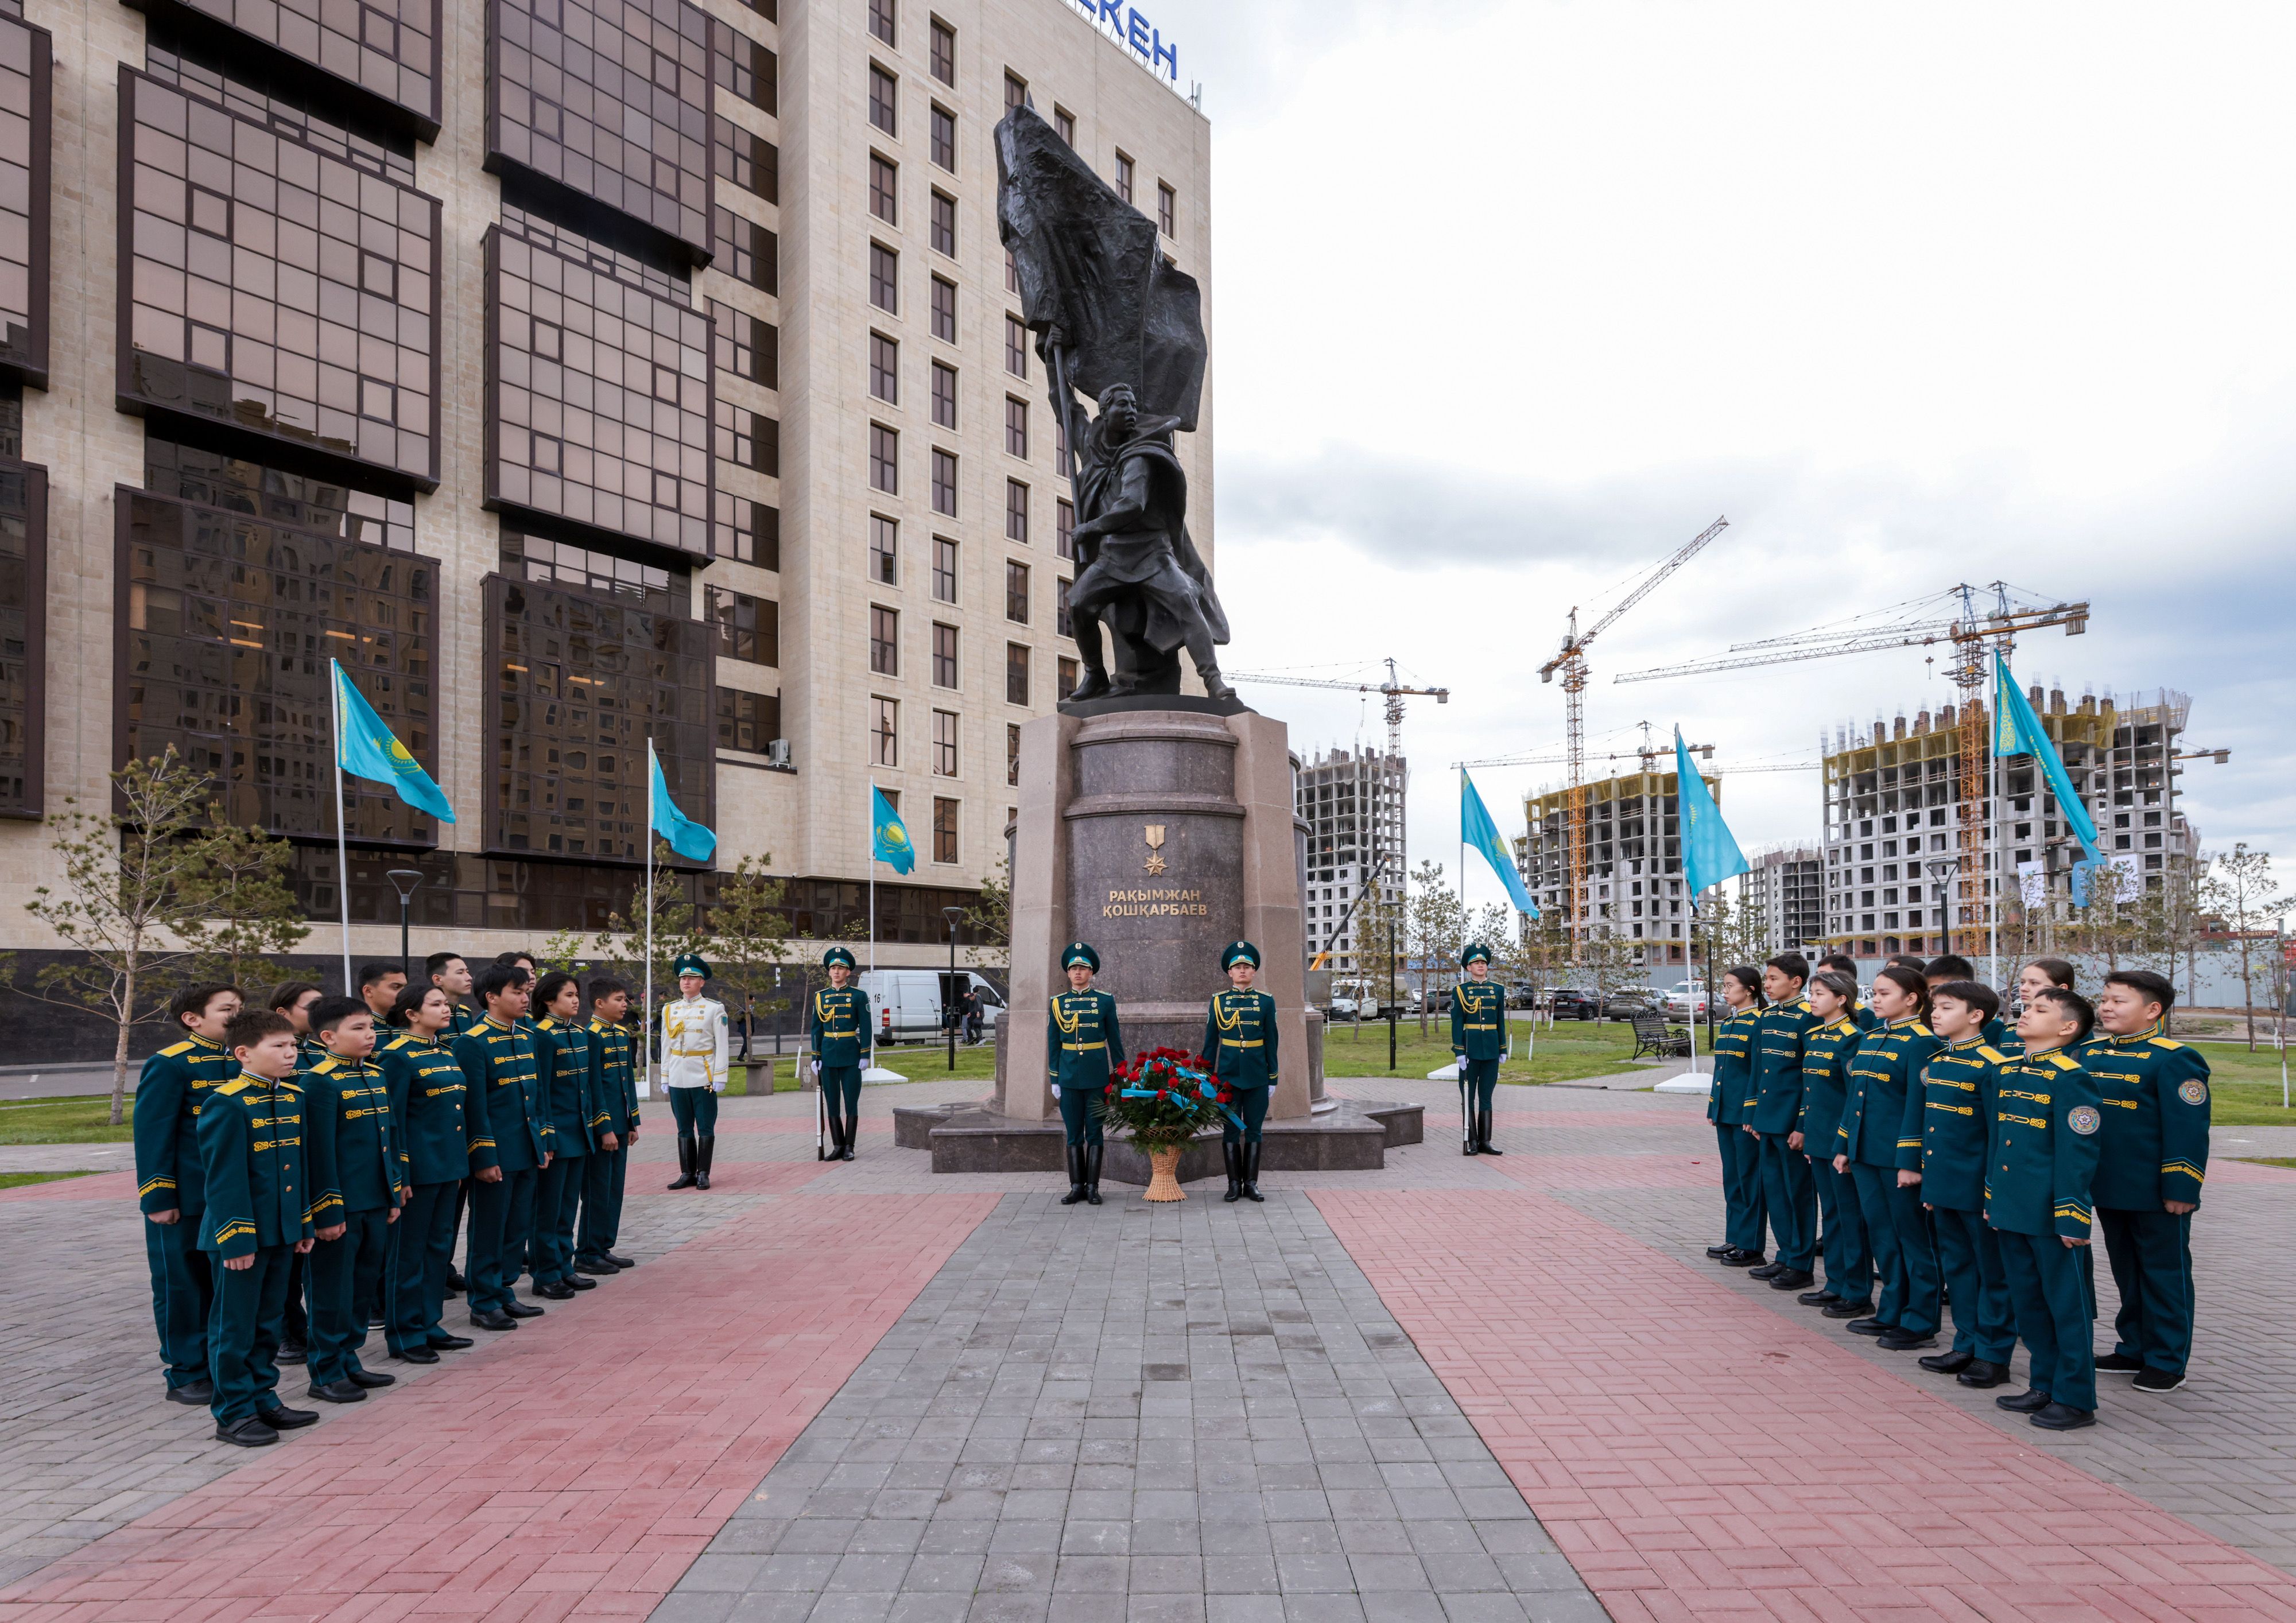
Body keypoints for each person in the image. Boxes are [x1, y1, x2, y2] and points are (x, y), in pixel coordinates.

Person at [2078, 968, 2209, 1393]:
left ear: (2153, 1010)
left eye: (2119, 1001)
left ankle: (2168, 1359)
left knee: (2164, 1274)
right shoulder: (2090, 1055)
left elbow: (2187, 1130)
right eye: (2105, 999)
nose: (2107, 1007)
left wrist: (2182, 1187)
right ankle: (2133, 1345)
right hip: (2108, 1186)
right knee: (2127, 1271)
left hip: (2155, 1192)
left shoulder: (2175, 1059)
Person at [196, 1007, 317, 1446]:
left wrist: (303, 1222)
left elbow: (298, 1169)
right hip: (241, 1237)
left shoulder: (292, 1097)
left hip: (282, 1231)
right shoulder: (225, 1102)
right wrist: (237, 1238)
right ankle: (233, 1413)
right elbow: (223, 1178)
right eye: (279, 1047)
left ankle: (263, 1398)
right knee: (234, 1327)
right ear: (244, 1053)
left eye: (293, 1046)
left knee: (268, 1322)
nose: (291, 1054)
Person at [1987, 985, 2103, 1430]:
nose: (2025, 1013)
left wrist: (2072, 1214)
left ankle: (2076, 1398)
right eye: (2025, 1007)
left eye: (2040, 1010)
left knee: (2066, 1307)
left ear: (2068, 1028)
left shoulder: (2071, 1077)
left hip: (2051, 1212)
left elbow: (2079, 1153)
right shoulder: (2009, 1071)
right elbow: (2000, 1142)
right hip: (2013, 1207)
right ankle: (2044, 1383)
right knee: (2029, 1303)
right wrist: (1993, 1197)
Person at [134, 983, 243, 1407]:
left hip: (231, 1198)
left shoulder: (243, 1061)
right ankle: (186, 1372)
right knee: (182, 1286)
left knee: (224, 1288)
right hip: (187, 1199)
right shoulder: (170, 1065)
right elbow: (152, 1135)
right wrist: (159, 1198)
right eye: (227, 1010)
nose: (237, 1016)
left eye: (240, 1008)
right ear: (192, 1020)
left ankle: (221, 1366)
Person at [1833, 964, 1944, 1350]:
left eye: (1884, 994)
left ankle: (1920, 1321)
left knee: (1913, 1239)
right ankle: (1892, 1310)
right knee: (1883, 1235)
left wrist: (1911, 1162)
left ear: (1912, 998)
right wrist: (1846, 1147)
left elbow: (1919, 1106)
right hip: (1866, 1153)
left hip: (1898, 1159)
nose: (1875, 1000)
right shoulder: (1870, 1038)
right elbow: (1856, 1098)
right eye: (1874, 993)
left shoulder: (1922, 1042)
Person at [298, 996, 402, 1404]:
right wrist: (326, 1210)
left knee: (361, 1286)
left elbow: (386, 1140)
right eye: (357, 1029)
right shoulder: (318, 1081)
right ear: (328, 1037)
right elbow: (319, 1153)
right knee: (330, 1289)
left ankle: (349, 1358)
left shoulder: (374, 1074)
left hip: (374, 1200)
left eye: (370, 1027)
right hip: (339, 1206)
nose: (369, 1035)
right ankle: (325, 1370)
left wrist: (392, 1192)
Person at [1917, 980, 2016, 1389]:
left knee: (1992, 1272)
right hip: (1945, 1184)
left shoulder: (1995, 1066)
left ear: (1976, 1016)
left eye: (1945, 1007)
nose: (1935, 1014)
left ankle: (1993, 1354)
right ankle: (1966, 1341)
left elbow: (1998, 1136)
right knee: (1958, 1267)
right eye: (1934, 1007)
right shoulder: (1940, 1061)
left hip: (1978, 1186)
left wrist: (1994, 1191)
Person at [377, 984, 475, 1365]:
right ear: (411, 1013)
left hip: (448, 1168)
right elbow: (394, 1122)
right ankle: (404, 1332)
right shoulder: (396, 1058)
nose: (446, 1009)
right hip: (417, 1171)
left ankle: (430, 1322)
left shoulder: (445, 1051)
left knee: (438, 1248)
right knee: (408, 1253)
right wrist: (399, 1176)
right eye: (435, 1004)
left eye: (445, 1003)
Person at [456, 964, 552, 1332]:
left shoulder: (526, 1037)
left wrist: (543, 1142)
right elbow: (475, 1106)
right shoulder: (472, 1041)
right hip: (496, 1154)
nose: (525, 998)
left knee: (516, 1227)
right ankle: (483, 1301)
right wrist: (483, 1155)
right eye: (516, 992)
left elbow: (536, 1095)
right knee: (489, 1228)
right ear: (491, 997)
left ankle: (504, 1290)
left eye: (525, 991)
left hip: (526, 1149)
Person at [1794, 970, 1872, 1319]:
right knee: (1832, 1214)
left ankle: (1857, 1290)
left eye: (1820, 993)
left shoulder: (1851, 1039)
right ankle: (1836, 1283)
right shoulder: (1815, 1035)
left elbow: (1854, 1099)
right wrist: (1806, 1131)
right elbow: (1810, 1092)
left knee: (1849, 1216)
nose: (1812, 998)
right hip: (1819, 1138)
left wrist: (1844, 1142)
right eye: (1812, 993)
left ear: (1842, 999)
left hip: (1839, 1141)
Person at [1748, 954, 1821, 1291]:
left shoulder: (1809, 1018)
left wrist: (1802, 1124)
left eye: (1774, 978)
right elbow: (1758, 1068)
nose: (1767, 984)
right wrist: (1752, 1114)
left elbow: (1810, 1076)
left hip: (1791, 1117)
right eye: (1766, 978)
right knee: (1776, 1191)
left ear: (1796, 982)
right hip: (1767, 1116)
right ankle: (1786, 1254)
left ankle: (1802, 1263)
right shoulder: (1765, 1017)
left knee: (1798, 1193)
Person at [529, 972, 600, 1297]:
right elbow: (540, 1092)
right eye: (569, 995)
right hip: (556, 1135)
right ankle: (545, 1273)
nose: (576, 1000)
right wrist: (547, 1136)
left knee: (568, 1206)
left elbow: (586, 1089)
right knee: (549, 1209)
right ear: (548, 1000)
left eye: (576, 995)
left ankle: (565, 1266)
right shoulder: (542, 1035)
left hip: (579, 1133)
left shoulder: (579, 1033)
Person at [1048, 942, 1122, 1206]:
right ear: (1068, 974)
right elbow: (1054, 1043)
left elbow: (1115, 1040)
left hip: (1096, 1077)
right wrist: (1054, 1079)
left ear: (1091, 973)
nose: (1078, 972)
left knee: (1095, 1132)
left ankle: (1093, 1187)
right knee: (1073, 1134)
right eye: (1074, 969)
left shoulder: (1104, 1001)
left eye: (1083, 968)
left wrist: (1120, 1074)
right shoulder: (1057, 1003)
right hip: (1068, 1077)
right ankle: (1076, 1187)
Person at [1205, 940, 1279, 1202]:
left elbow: (1272, 1041)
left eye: (1247, 966)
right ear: (1230, 973)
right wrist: (1208, 1077)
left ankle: (1252, 1183)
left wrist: (1273, 1077)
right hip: (1228, 1078)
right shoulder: (1218, 1002)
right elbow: (1211, 1043)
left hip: (1258, 1077)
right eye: (1238, 967)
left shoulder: (1266, 1002)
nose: (1243, 971)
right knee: (1231, 1131)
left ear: (1254, 971)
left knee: (1255, 1130)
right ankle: (1234, 1184)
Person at [578, 979, 641, 1272]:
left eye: (625, 999)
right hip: (601, 1127)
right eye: (618, 999)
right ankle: (588, 1251)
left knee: (614, 1188)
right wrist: (604, 1128)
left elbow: (625, 1081)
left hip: (620, 1123)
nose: (625, 1004)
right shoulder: (588, 1035)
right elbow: (593, 1088)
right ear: (599, 1003)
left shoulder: (620, 1032)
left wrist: (632, 1122)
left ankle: (604, 1246)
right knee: (597, 1189)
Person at [1705, 968, 1766, 1267]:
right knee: (1732, 1177)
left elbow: (1756, 1073)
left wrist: (1752, 1112)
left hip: (1744, 1113)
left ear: (1751, 990)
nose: (1725, 991)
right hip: (1726, 1111)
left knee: (1749, 1178)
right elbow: (1721, 1072)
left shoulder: (1759, 1023)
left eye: (1730, 986)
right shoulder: (1729, 1022)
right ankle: (1736, 1236)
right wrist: (1714, 1107)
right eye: (1724, 986)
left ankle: (1751, 1244)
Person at [665, 953, 732, 1183]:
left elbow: (722, 1045)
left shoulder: (714, 1008)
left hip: (703, 1074)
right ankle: (687, 1173)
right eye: (683, 978)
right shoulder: (670, 1009)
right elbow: (666, 1045)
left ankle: (703, 1173)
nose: (686, 982)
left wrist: (720, 1075)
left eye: (692, 978)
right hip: (677, 1074)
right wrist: (665, 1075)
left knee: (705, 1126)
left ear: (702, 982)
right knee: (683, 1127)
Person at [808, 949, 867, 1165]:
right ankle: (838, 1146)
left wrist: (865, 1054)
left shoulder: (858, 996)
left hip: (851, 1054)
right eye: (833, 968)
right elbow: (816, 1029)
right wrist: (816, 1056)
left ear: (848, 972)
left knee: (851, 1102)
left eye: (840, 968)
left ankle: (850, 1146)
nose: (836, 972)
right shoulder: (820, 997)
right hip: (829, 1055)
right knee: (831, 1102)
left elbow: (867, 1027)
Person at [1450, 943, 1509, 1156]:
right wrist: (1459, 1051)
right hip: (1471, 1050)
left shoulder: (1498, 990)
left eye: (1483, 962)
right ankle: (1471, 1140)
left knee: (1487, 1096)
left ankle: (1486, 1141)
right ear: (1468, 968)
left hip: (1491, 1049)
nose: (1481, 965)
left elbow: (1500, 1021)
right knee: (1468, 1097)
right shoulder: (1460, 991)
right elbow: (1457, 1023)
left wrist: (1503, 1048)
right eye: (1476, 963)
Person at [1999, 958, 2078, 1057]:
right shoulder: (2009, 1032)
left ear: (2060, 989)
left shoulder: (2075, 1032)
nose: (2023, 988)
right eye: (2023, 983)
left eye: (2034, 983)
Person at [1925, 955, 2007, 1045]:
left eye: (1937, 988)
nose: (1932, 995)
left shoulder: (1994, 1028)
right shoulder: (1937, 1022)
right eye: (1929, 991)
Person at [1818, 954, 1881, 1030]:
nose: (1817, 980)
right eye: (1817, 975)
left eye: (1824, 975)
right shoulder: (1814, 1013)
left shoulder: (1865, 1016)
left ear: (1846, 979)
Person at [428, 952, 483, 1039]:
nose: (469, 978)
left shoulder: (465, 1014)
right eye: (460, 973)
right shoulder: (427, 1015)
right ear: (438, 979)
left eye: (467, 972)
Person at [357, 962, 408, 1026]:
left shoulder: (407, 1025)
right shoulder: (356, 1028)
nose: (404, 992)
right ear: (368, 991)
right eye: (396, 987)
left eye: (405, 988)